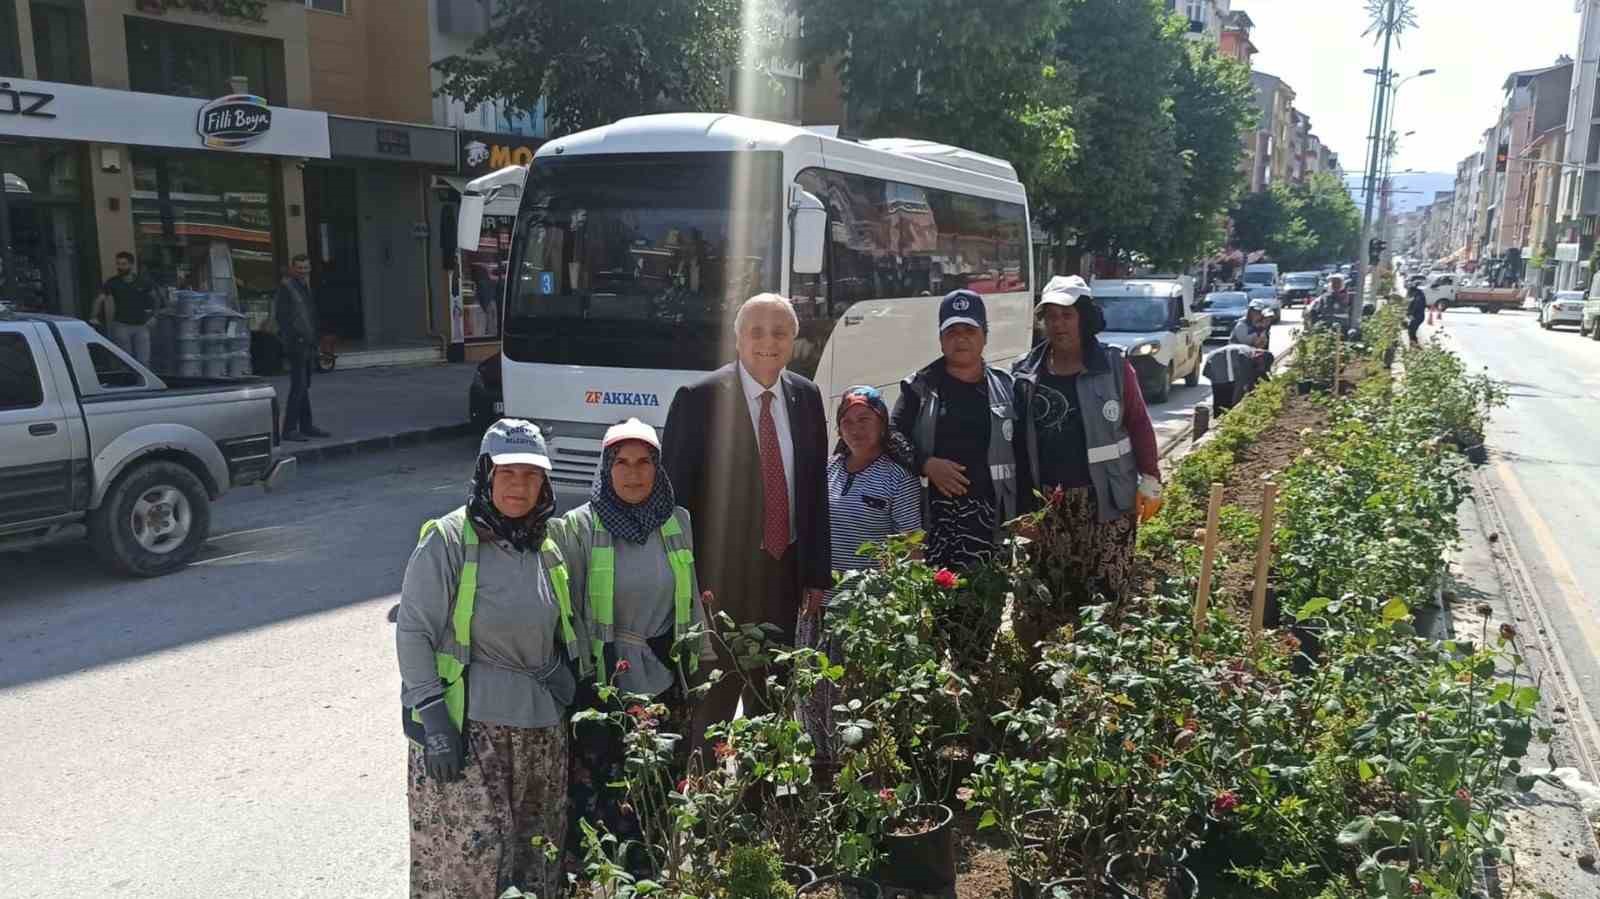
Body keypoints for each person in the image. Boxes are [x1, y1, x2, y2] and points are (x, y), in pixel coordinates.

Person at [395, 419, 587, 899]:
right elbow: (414, 630)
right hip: (469, 733)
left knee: (536, 864)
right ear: (485, 474)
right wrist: (434, 722)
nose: (519, 485)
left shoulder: (546, 544)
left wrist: (560, 672)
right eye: (507, 473)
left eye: (531, 474)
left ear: (545, 482)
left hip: (541, 732)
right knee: (469, 869)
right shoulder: (448, 539)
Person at [661, 293, 831, 756]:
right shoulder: (699, 399)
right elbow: (675, 502)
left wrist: (818, 575)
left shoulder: (806, 397)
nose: (767, 342)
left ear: (794, 341)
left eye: (779, 332)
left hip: (785, 579)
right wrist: (687, 587)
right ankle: (708, 813)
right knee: (714, 710)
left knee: (773, 705)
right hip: (720, 588)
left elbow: (815, 492)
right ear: (737, 338)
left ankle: (762, 811)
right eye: (756, 331)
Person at [548, 417, 715, 871]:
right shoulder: (577, 528)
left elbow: (690, 588)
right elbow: (569, 615)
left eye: (644, 462)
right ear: (606, 468)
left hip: (664, 681)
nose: (633, 472)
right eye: (621, 462)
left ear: (658, 468)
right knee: (605, 805)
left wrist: (699, 659)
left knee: (657, 798)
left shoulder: (677, 520)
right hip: (605, 686)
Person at [1011, 276, 1162, 646]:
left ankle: (1093, 681)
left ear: (1083, 318)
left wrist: (1151, 479)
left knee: (1103, 598)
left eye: (1067, 315)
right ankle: (1042, 680)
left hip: (1107, 502)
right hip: (1049, 505)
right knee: (1044, 596)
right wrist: (1021, 507)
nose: (1058, 324)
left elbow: (1139, 423)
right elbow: (1014, 446)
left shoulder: (1112, 366)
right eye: (1051, 316)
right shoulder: (1026, 372)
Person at [799, 386, 923, 758]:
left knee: (854, 697)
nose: (855, 428)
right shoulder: (828, 472)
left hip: (865, 613)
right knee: (812, 689)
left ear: (883, 424)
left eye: (864, 419)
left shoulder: (898, 480)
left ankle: (855, 769)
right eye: (847, 421)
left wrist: (903, 608)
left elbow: (911, 548)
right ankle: (818, 765)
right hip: (821, 602)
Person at [275, 254, 329, 441]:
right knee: (298, 386)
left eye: (306, 268)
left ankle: (306, 425)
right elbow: (282, 318)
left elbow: (309, 315)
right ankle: (289, 429)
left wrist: (315, 339)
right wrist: (295, 339)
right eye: (299, 268)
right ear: (292, 268)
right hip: (296, 344)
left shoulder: (305, 286)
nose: (303, 271)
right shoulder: (286, 287)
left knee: (304, 386)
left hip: (308, 342)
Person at [94, 252, 159, 365]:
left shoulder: (143, 281)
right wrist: (93, 316)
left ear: (131, 265)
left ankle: (144, 382)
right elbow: (99, 299)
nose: (120, 267)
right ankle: (129, 382)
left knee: (144, 361)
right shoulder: (113, 282)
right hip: (121, 326)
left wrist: (154, 316)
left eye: (124, 264)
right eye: (118, 264)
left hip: (141, 326)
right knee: (125, 361)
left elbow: (156, 299)